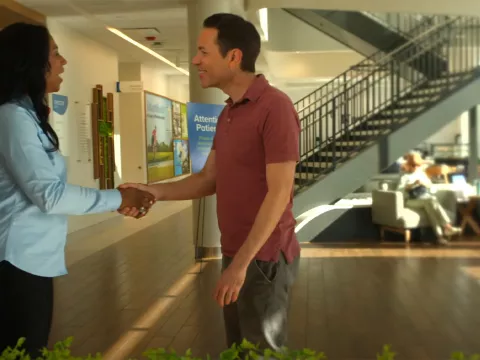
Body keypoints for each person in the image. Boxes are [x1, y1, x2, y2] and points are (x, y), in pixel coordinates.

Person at [120, 13, 300, 351]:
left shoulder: (275, 107)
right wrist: (154, 191)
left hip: (264, 258)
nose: (195, 60)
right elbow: (208, 179)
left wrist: (242, 264)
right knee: (238, 349)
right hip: (238, 253)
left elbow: (280, 193)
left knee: (261, 352)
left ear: (233, 57)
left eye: (203, 52)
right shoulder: (228, 112)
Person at [0, 23, 155, 357]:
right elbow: (49, 195)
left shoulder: (27, 116)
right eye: (54, 53)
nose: (63, 61)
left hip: (34, 261)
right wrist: (119, 198)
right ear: (31, 62)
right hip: (16, 263)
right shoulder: (11, 117)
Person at [397, 153, 461, 245]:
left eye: (418, 166)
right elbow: (399, 192)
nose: (416, 167)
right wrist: (410, 186)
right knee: (431, 201)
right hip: (410, 200)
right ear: (409, 165)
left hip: (424, 198)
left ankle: (439, 237)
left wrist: (424, 184)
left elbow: (431, 188)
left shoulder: (421, 174)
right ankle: (448, 226)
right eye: (414, 165)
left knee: (431, 208)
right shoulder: (404, 176)